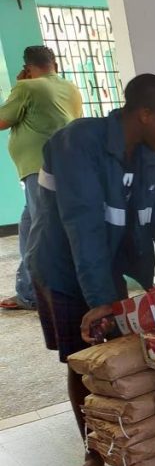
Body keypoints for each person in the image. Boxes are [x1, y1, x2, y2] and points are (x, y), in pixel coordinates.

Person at [26, 73, 155, 466]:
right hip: (62, 270)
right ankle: (94, 454)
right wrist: (103, 303)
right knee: (83, 360)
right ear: (144, 114)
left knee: (120, 358)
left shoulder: (147, 156)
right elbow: (83, 228)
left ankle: (129, 443)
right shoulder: (76, 145)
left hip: (108, 269)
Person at [0, 45, 83, 310]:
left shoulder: (27, 88)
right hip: (64, 166)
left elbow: (2, 120)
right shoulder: (70, 87)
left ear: (28, 67)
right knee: (29, 227)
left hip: (39, 168)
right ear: (54, 64)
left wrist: (20, 87)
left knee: (42, 230)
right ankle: (27, 290)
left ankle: (45, 294)